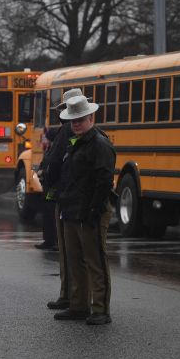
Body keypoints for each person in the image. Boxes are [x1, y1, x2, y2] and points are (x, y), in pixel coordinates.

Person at [52, 95, 116, 326]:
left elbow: (104, 180)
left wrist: (93, 210)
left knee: (95, 261)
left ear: (91, 118)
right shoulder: (77, 141)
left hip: (90, 211)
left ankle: (100, 309)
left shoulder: (99, 144)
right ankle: (79, 305)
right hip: (72, 209)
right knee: (75, 259)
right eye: (73, 120)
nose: (76, 123)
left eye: (80, 119)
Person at [38, 88, 85, 309]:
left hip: (67, 196)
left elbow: (55, 162)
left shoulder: (67, 131)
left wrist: (46, 177)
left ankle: (72, 297)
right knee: (72, 253)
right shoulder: (74, 131)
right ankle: (72, 296)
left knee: (71, 254)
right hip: (70, 196)